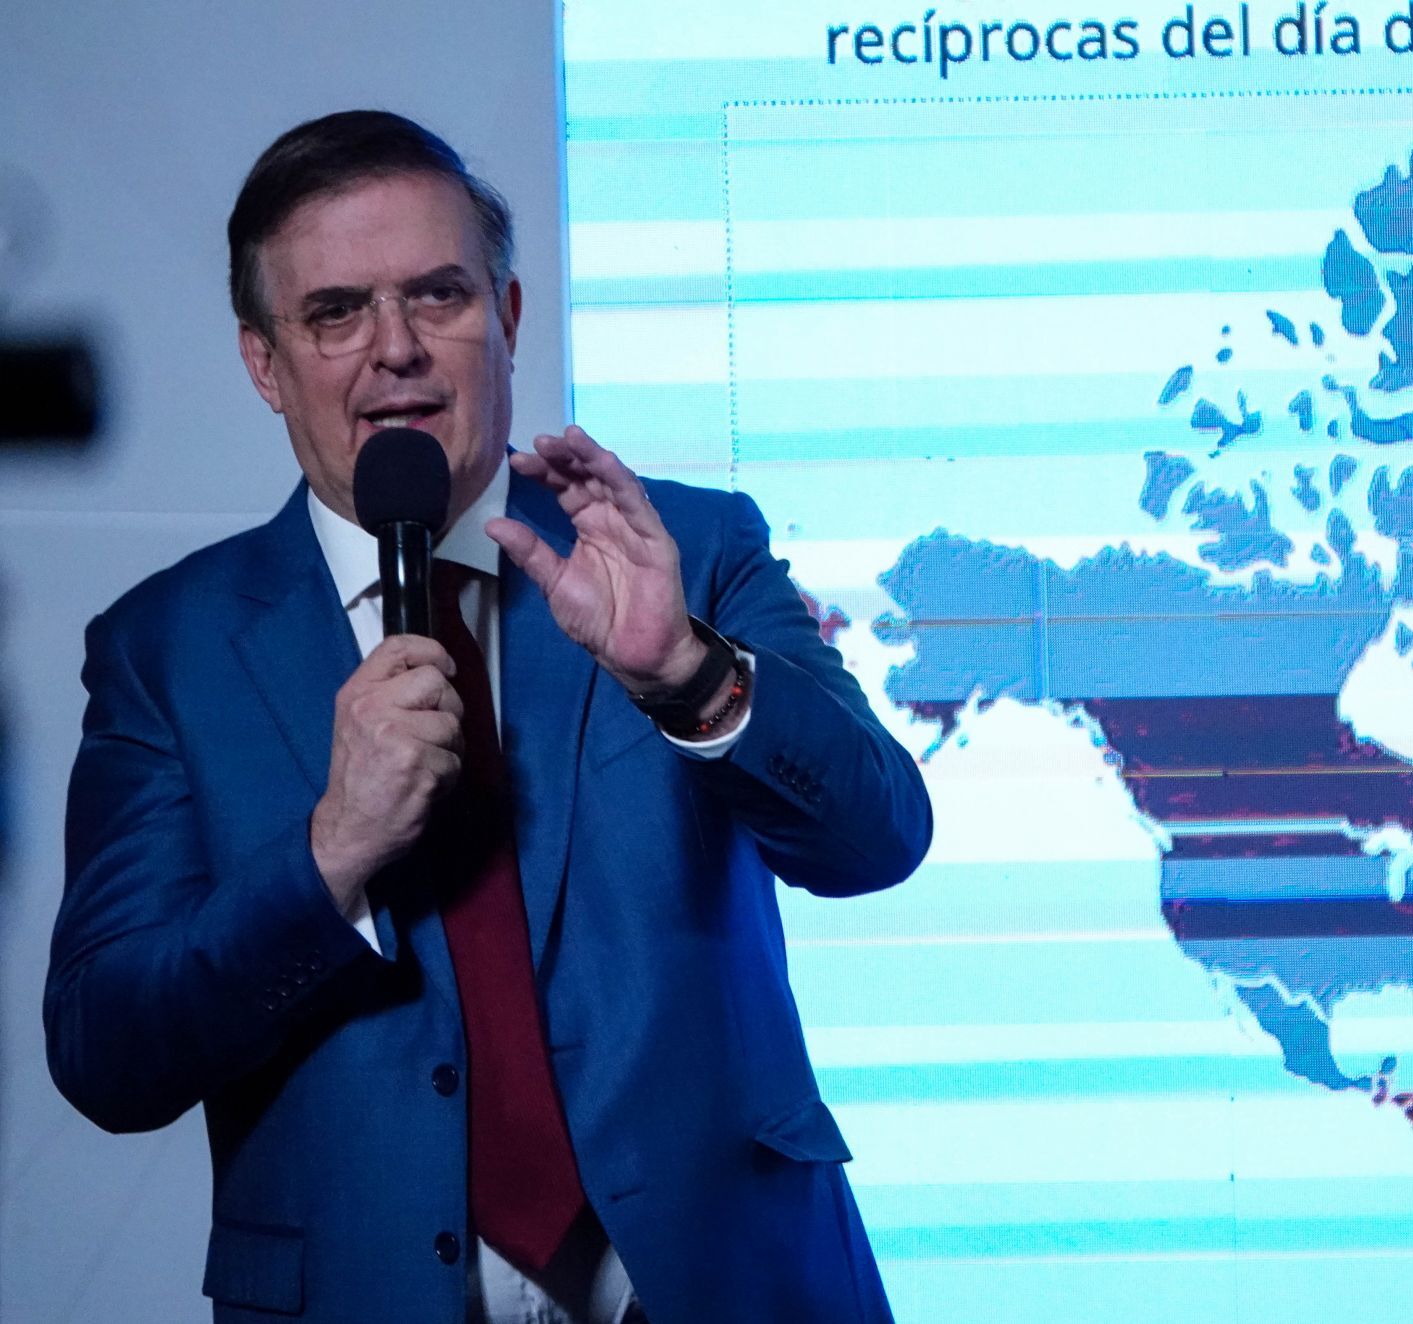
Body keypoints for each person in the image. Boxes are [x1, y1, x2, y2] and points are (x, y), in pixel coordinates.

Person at [44, 110, 931, 1324]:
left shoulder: (687, 547)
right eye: (336, 312)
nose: (395, 350)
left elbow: (880, 836)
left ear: (507, 316)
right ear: (265, 363)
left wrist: (684, 672)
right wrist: (329, 857)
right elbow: (106, 1052)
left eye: (439, 295)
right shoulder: (168, 649)